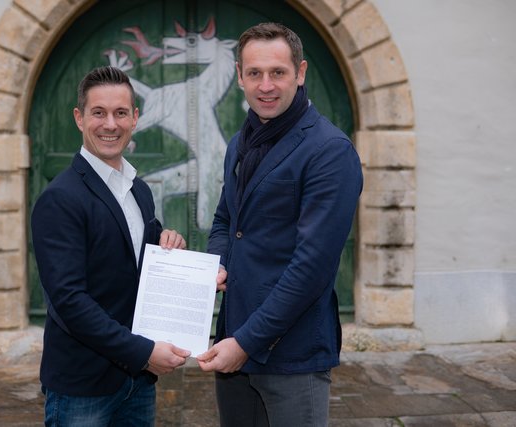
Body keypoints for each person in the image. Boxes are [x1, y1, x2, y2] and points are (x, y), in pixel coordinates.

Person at [197, 23, 363, 426]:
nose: (265, 85)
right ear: (239, 76)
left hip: (292, 353)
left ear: (300, 73)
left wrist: (247, 343)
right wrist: (217, 263)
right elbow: (226, 220)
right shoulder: (240, 142)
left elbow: (313, 266)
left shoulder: (329, 150)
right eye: (254, 73)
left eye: (278, 72)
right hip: (233, 337)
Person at [31, 66, 191, 427]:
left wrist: (168, 242)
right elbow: (70, 302)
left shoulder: (138, 189)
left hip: (136, 384)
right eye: (98, 113)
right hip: (82, 388)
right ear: (79, 118)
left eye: (121, 113)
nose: (110, 124)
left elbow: (136, 258)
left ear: (135, 118)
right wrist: (144, 352)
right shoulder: (60, 199)